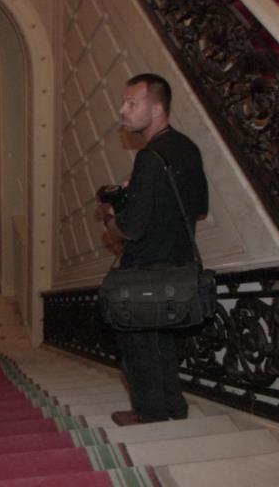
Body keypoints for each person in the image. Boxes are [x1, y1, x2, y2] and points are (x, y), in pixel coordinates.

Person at [99, 73, 208, 426]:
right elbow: (199, 207)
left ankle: (150, 414)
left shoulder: (150, 157)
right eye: (123, 103)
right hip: (177, 268)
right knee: (163, 343)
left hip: (144, 269)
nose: (122, 110)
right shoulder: (187, 148)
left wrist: (111, 216)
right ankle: (174, 406)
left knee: (138, 348)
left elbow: (131, 227)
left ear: (157, 108)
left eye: (132, 103)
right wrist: (144, 191)